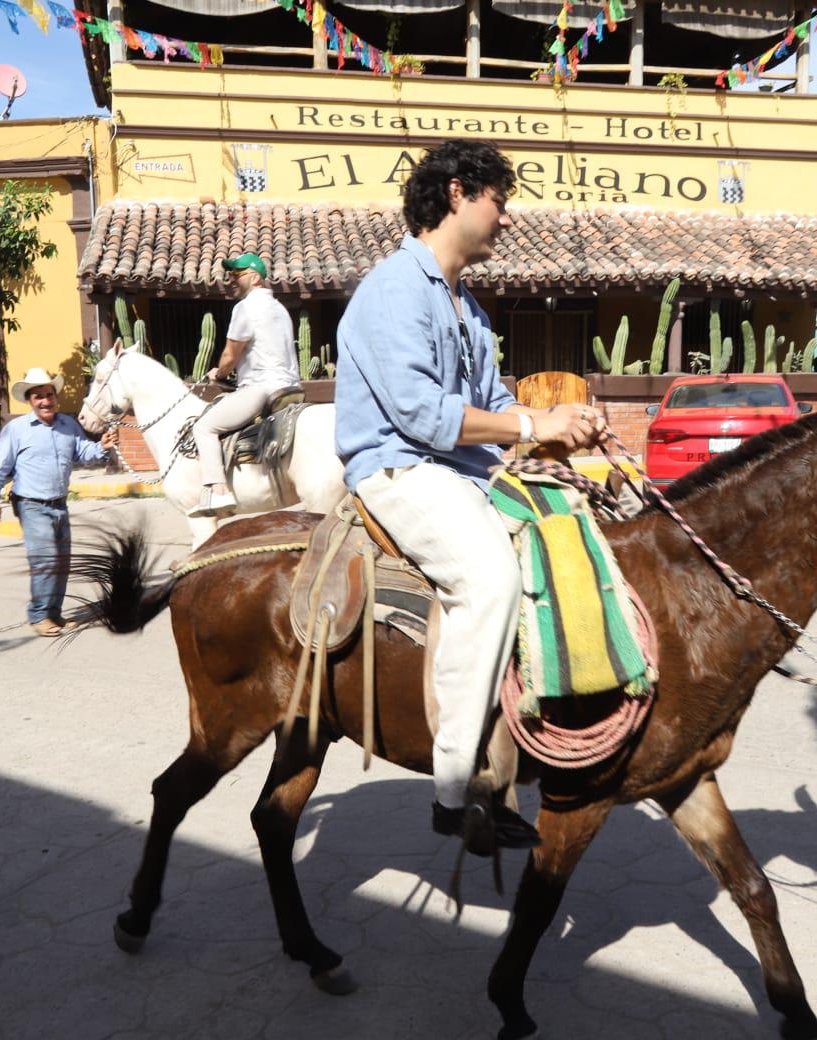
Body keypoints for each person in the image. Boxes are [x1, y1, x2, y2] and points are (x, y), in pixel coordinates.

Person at [335, 140, 602, 850]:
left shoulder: (470, 310)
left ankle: (540, 733)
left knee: (572, 536)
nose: (506, 219)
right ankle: (455, 789)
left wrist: (560, 432)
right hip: (398, 468)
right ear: (458, 194)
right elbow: (422, 416)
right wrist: (528, 423)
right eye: (499, 202)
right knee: (487, 579)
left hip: (461, 467)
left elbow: (490, 408)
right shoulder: (394, 288)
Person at [0, 367, 117, 636]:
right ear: (30, 401)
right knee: (45, 559)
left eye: (49, 395)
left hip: (59, 503)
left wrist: (102, 446)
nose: (45, 401)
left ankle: (53, 614)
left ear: (55, 396)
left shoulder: (68, 425)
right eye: (38, 397)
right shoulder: (17, 430)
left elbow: (84, 452)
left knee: (62, 562)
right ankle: (39, 615)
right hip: (30, 503)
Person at [188, 251, 300, 517]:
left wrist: (219, 373)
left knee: (204, 426)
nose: (232, 281)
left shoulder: (246, 307)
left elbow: (230, 354)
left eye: (237, 275)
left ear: (255, 277)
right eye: (231, 275)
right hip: (291, 388)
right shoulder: (280, 309)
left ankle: (218, 492)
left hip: (260, 388)